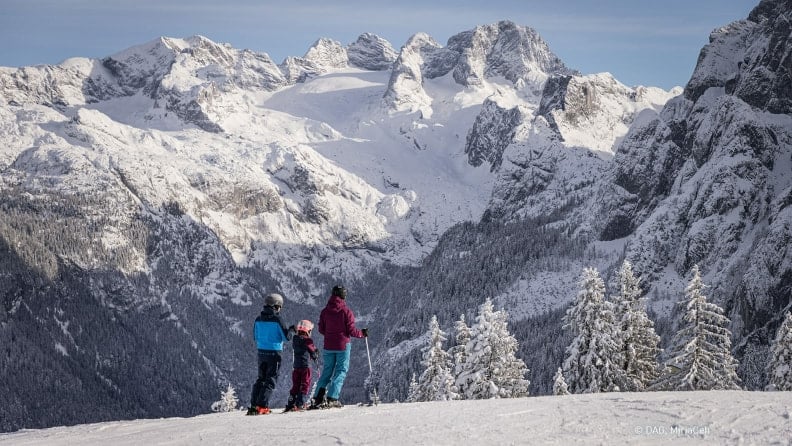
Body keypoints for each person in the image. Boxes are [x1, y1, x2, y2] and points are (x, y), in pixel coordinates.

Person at [309, 285, 368, 409]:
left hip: (328, 346)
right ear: (343, 295)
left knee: (327, 371)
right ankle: (332, 398)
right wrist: (362, 334)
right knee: (341, 370)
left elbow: (321, 329)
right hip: (342, 346)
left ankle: (317, 398)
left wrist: (331, 334)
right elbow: (352, 331)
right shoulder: (346, 312)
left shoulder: (325, 311)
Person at [246, 293, 291, 415]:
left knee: (261, 379)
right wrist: (291, 330)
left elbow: (255, 336)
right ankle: (262, 406)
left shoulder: (258, 319)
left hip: (261, 352)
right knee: (270, 380)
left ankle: (254, 405)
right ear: (276, 306)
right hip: (274, 353)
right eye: (280, 306)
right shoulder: (278, 319)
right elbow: (286, 338)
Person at [283, 319, 319, 412]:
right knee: (304, 385)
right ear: (308, 330)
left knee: (295, 385)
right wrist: (315, 354)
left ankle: (291, 403)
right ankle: (300, 404)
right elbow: (313, 351)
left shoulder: (295, 339)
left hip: (296, 367)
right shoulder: (308, 340)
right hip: (305, 367)